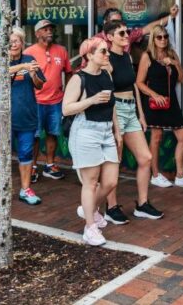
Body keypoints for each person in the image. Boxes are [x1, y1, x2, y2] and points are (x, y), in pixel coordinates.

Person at [88, 20, 163, 224]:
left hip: (130, 109)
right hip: (116, 110)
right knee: (115, 161)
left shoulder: (128, 56)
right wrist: (116, 125)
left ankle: (142, 203)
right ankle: (111, 207)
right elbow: (108, 92)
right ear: (110, 37)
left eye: (127, 32)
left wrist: (141, 113)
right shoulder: (107, 59)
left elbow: (134, 86)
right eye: (121, 33)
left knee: (145, 158)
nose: (126, 35)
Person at [63, 37, 121, 246]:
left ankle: (89, 208)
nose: (107, 55)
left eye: (107, 51)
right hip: (86, 131)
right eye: (103, 52)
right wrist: (91, 100)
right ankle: (90, 227)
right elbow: (66, 108)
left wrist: (118, 130)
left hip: (106, 131)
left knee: (111, 181)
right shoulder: (79, 78)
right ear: (89, 55)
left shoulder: (106, 74)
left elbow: (112, 105)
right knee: (91, 181)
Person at [137, 25, 183, 188]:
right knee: (156, 138)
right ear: (153, 39)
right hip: (155, 102)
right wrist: (154, 95)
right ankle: (155, 175)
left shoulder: (172, 54)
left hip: (171, 102)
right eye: (159, 37)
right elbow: (139, 82)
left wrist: (174, 63)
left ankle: (180, 175)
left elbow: (182, 78)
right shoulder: (147, 56)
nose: (163, 39)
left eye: (165, 36)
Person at [0, 27, 45, 210]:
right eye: (10, 41)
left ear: (22, 43)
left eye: (17, 41)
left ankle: (26, 189)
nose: (13, 44)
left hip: (27, 116)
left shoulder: (30, 60)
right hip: (3, 119)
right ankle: (0, 194)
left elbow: (39, 85)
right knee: (1, 154)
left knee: (26, 154)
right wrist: (22, 67)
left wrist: (33, 74)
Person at [24, 19, 72, 183]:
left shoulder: (61, 50)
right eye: (45, 29)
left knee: (53, 133)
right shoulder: (28, 52)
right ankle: (33, 167)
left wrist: (68, 94)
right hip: (35, 102)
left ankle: (50, 165)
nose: (49, 31)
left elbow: (69, 72)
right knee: (35, 136)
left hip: (56, 101)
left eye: (51, 28)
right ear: (37, 33)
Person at [96, 4, 179, 52]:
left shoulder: (128, 35)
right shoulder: (95, 41)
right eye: (114, 21)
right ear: (104, 22)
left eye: (120, 21)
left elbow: (147, 28)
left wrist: (171, 16)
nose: (117, 24)